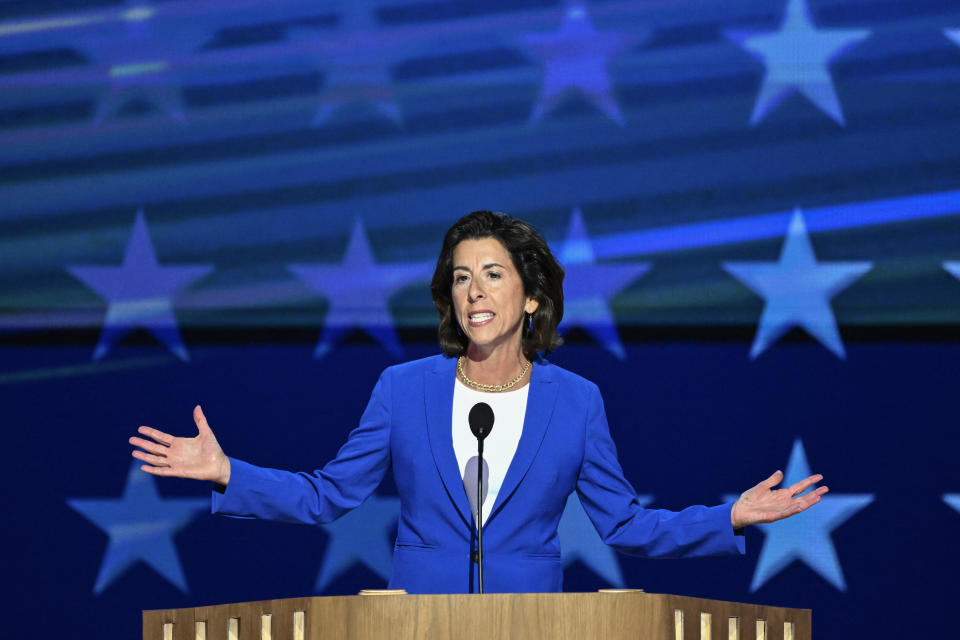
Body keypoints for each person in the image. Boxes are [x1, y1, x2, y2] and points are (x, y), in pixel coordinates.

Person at [130, 210, 828, 594]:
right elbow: (328, 495)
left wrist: (729, 516)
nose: (474, 292)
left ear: (530, 297)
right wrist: (228, 472)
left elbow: (625, 526)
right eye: (461, 278)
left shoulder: (577, 403)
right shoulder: (403, 389)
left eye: (493, 275)